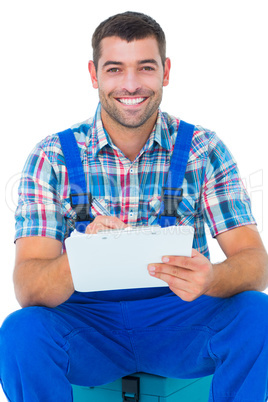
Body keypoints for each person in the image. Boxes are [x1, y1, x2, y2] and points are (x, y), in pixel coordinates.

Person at [0, 11, 268, 402]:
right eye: (114, 69)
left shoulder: (203, 149)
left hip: (182, 322)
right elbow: (28, 287)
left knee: (258, 315)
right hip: (89, 329)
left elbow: (254, 262)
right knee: (21, 332)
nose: (130, 84)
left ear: (166, 71)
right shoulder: (52, 157)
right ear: (94, 75)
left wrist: (212, 278)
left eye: (145, 67)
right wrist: (83, 256)